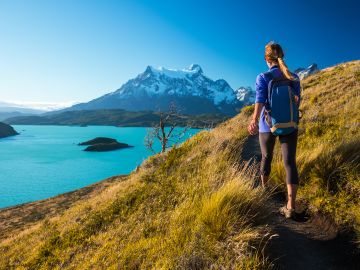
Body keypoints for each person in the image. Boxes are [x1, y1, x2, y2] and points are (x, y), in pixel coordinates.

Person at [247, 41, 301, 219]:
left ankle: (265, 190)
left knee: (266, 156)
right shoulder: (294, 77)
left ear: (266, 58)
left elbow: (260, 100)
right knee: (289, 162)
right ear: (282, 56)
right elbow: (297, 101)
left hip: (267, 125)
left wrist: (254, 119)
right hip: (290, 125)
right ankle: (291, 207)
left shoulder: (263, 77)